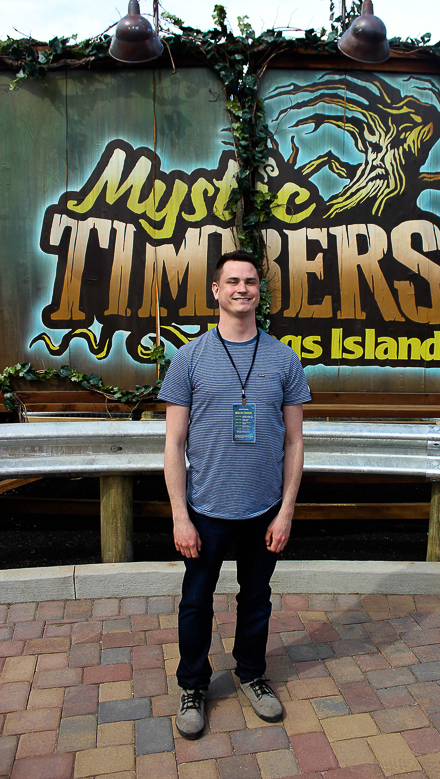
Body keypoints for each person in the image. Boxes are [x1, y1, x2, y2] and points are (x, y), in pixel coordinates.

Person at [158, 249, 311, 740]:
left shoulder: (284, 358)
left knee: (257, 599)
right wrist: (180, 516)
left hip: (263, 509)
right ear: (216, 291)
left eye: (250, 281)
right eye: (233, 281)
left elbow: (294, 442)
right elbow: (174, 442)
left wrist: (285, 511)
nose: (242, 289)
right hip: (205, 509)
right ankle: (192, 687)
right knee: (196, 603)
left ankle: (251, 674)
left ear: (258, 291)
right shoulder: (190, 358)